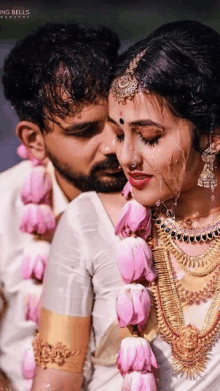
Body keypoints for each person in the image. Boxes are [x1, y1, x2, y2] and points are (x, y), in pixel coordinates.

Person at [0, 22, 127, 391]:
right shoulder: (5, 205)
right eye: (84, 131)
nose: (113, 146)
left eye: (119, 123)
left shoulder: (164, 194)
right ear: (34, 139)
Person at [108, 20, 220, 390]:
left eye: (150, 137)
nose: (126, 157)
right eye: (119, 134)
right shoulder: (99, 223)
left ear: (212, 136)